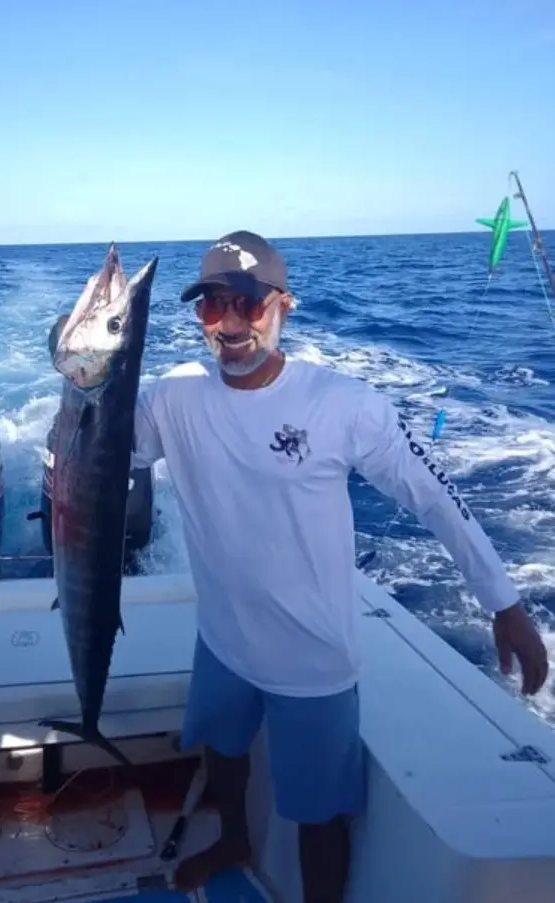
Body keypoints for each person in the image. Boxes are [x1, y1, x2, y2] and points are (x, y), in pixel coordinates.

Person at [130, 230, 549, 903]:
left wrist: (503, 603)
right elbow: (105, 454)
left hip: (313, 658)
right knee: (223, 749)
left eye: (246, 302)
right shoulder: (172, 395)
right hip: (221, 638)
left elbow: (434, 497)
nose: (229, 322)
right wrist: (82, 376)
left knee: (318, 813)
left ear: (283, 305)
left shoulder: (345, 404)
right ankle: (235, 837)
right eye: (210, 306)